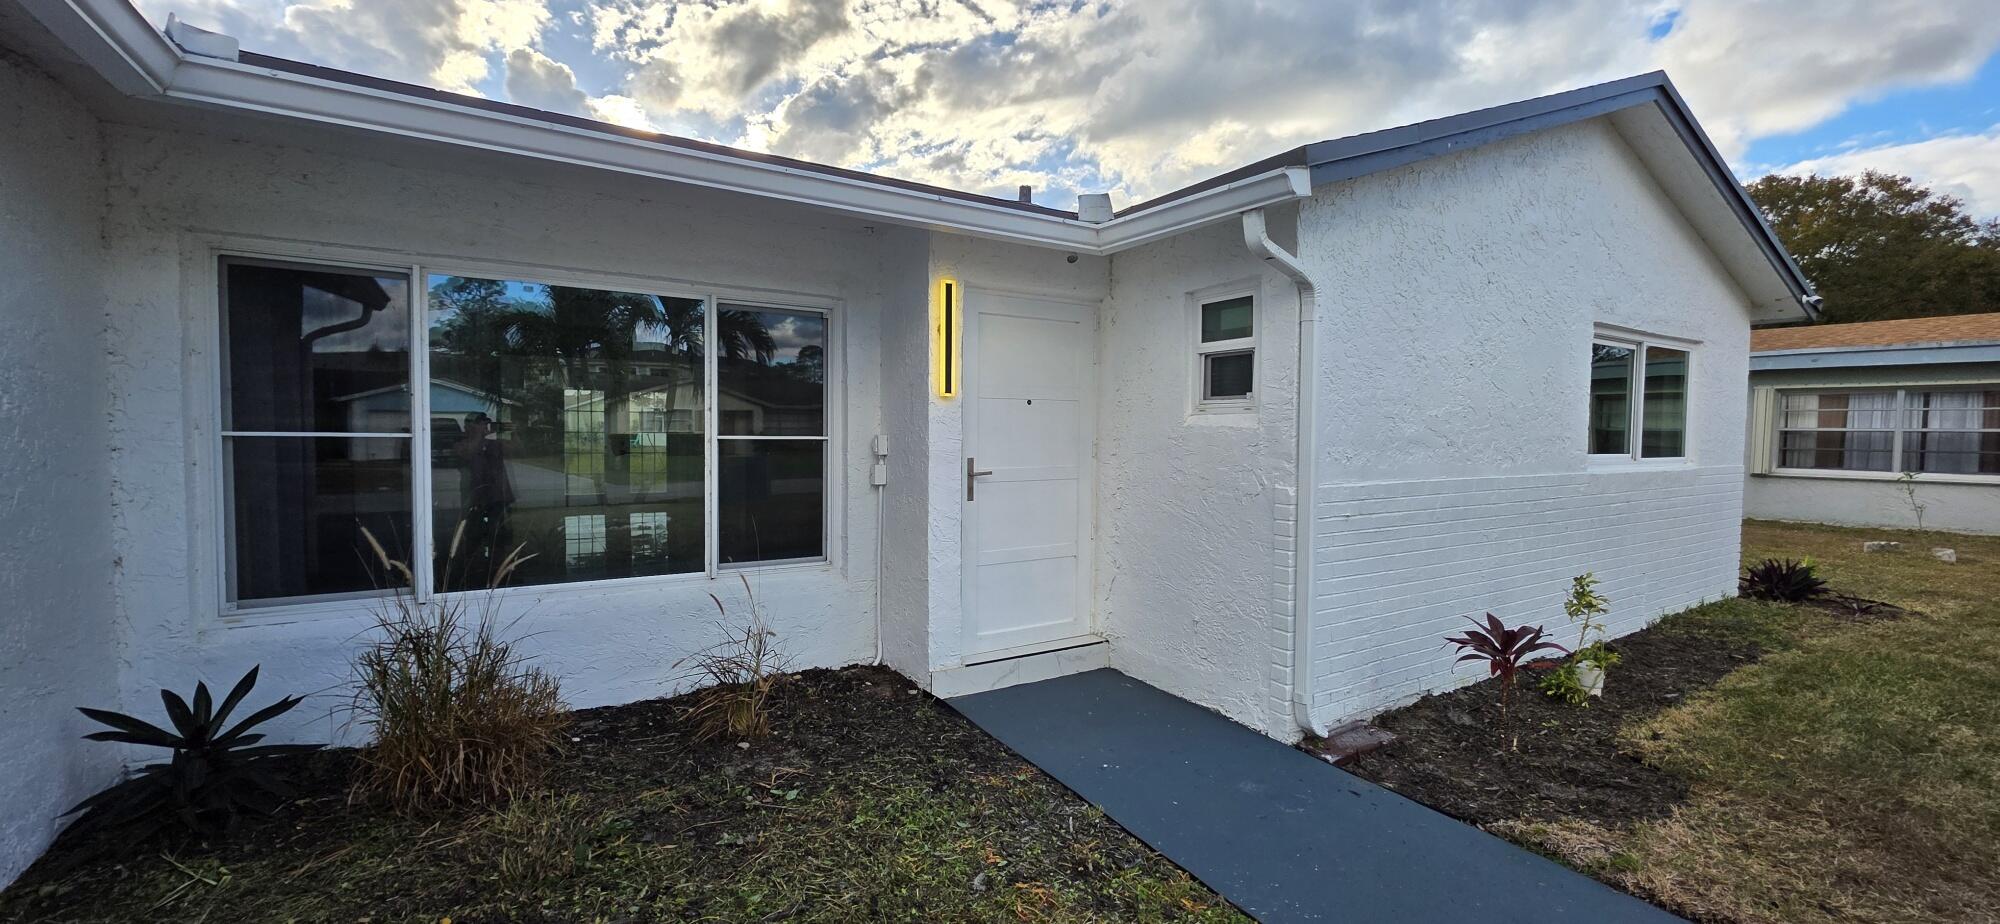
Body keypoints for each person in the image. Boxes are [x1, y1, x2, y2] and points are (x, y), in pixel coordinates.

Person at [453, 412, 516, 585]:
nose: (485, 427)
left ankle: (499, 572)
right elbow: (467, 454)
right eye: (480, 424)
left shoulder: (494, 445)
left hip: (497, 498)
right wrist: (479, 436)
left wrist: (514, 431)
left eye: (486, 424)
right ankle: (471, 573)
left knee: (499, 537)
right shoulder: (460, 445)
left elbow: (519, 451)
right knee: (472, 536)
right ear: (468, 427)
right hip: (474, 499)